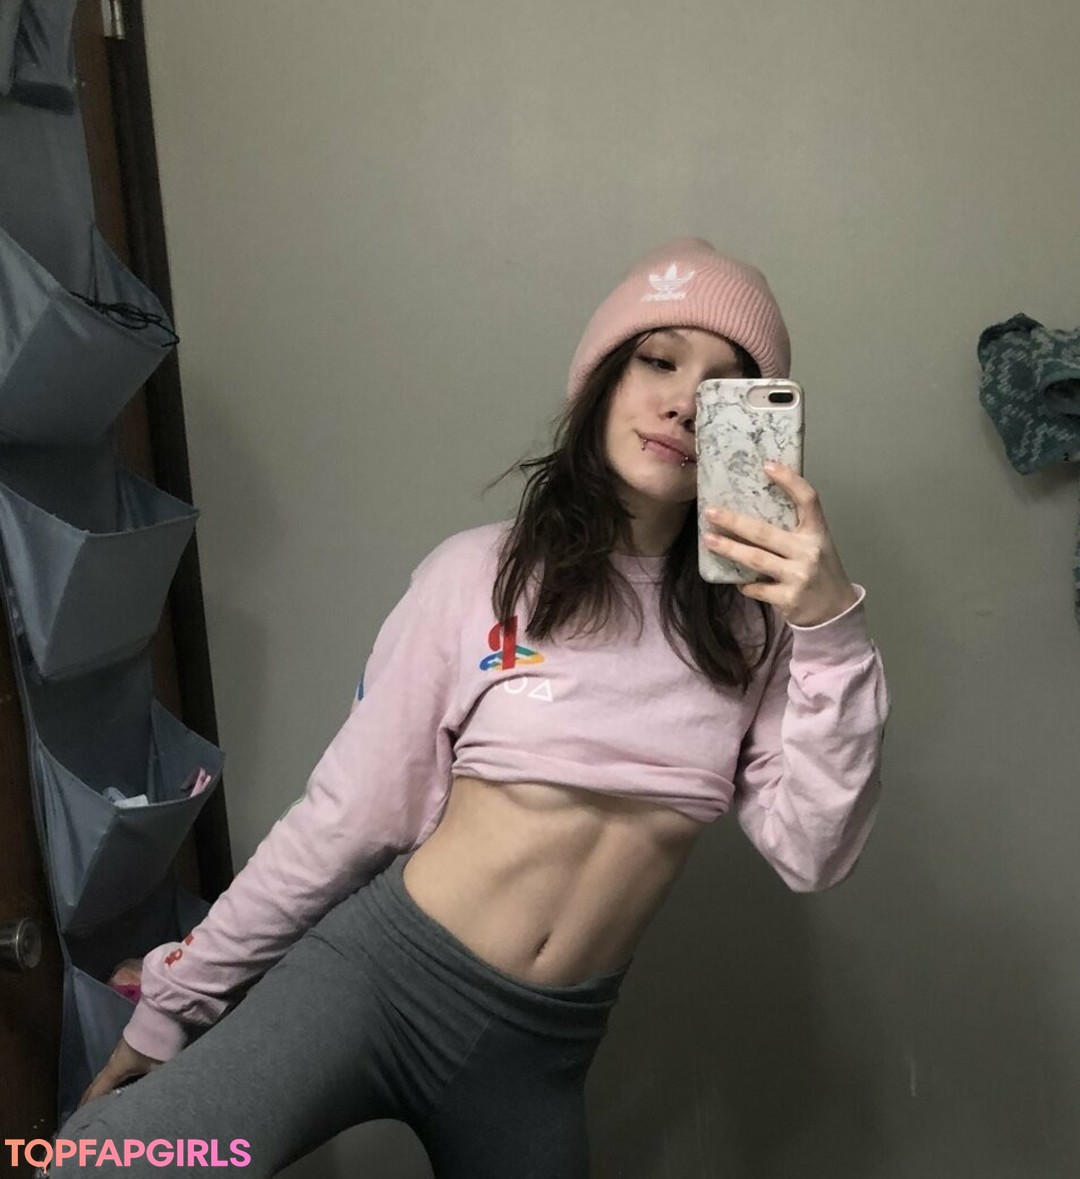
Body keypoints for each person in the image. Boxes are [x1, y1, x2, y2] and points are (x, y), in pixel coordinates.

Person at [55, 237, 889, 1178]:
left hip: (541, 1050)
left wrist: (832, 625)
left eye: (725, 387)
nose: (685, 402)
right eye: (658, 360)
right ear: (602, 381)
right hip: (378, 981)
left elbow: (813, 850)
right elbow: (347, 816)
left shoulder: (758, 628)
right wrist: (177, 1002)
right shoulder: (479, 574)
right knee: (112, 1168)